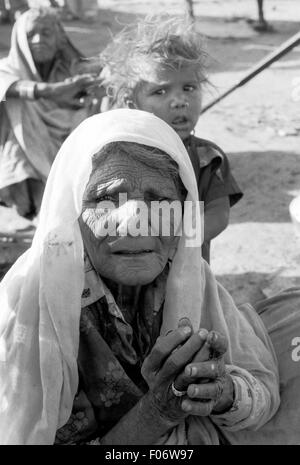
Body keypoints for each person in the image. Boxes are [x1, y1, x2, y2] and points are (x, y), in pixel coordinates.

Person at [0, 109, 279, 445]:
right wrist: (158, 410)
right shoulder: (30, 305)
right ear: (72, 209)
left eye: (159, 200)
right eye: (105, 198)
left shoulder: (190, 276)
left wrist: (220, 390)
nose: (133, 220)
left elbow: (262, 391)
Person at [100, 16, 243, 262]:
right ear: (132, 103)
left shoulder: (207, 158)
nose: (179, 101)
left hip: (188, 274)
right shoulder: (119, 156)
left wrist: (176, 242)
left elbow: (218, 215)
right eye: (161, 91)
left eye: (189, 88)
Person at [0, 7, 103, 220]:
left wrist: (66, 49)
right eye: (30, 35)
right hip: (24, 149)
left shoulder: (67, 72)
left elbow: (96, 74)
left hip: (65, 147)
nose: (38, 40)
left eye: (47, 33)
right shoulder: (6, 69)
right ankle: (38, 207)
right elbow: (13, 88)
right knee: (17, 109)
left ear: (59, 38)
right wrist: (55, 92)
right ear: (19, 39)